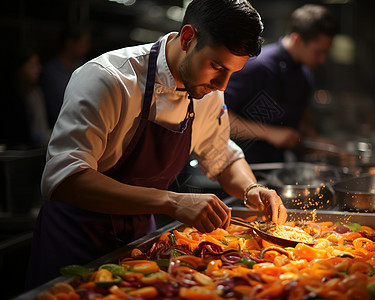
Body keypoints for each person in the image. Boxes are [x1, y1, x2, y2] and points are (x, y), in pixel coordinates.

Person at [26, 0, 286, 289]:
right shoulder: (109, 79)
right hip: (74, 242)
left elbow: (221, 155)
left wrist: (252, 189)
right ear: (188, 38)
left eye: (232, 74)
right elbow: (64, 179)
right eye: (216, 67)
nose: (222, 85)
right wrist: (173, 202)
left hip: (140, 247)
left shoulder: (207, 91)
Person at [225, 4, 338, 163]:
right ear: (296, 39)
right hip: (240, 165)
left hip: (277, 166)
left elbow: (298, 120)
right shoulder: (257, 66)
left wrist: (314, 140)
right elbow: (220, 118)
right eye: (318, 52)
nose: (323, 60)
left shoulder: (304, 74)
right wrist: (269, 133)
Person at [40, 25, 91, 127]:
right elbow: (53, 107)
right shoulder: (50, 72)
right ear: (70, 43)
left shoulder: (86, 67)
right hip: (57, 126)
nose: (87, 48)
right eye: (84, 43)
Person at [0, 47, 51, 149]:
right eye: (32, 66)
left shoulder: (36, 93)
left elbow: (41, 129)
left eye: (38, 64)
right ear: (19, 68)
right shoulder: (7, 99)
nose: (38, 69)